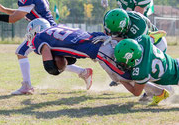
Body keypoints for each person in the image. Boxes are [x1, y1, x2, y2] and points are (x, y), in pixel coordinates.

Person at [25, 18, 169, 105]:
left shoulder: (40, 38)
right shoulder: (56, 28)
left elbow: (49, 61)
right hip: (98, 39)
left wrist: (53, 67)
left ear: (36, 31)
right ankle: (147, 39)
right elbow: (70, 54)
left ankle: (160, 91)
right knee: (130, 64)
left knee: (123, 76)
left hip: (99, 51)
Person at [0, 0, 92, 95]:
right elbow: (20, 12)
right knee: (54, 59)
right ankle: (84, 72)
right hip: (48, 29)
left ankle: (27, 86)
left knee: (21, 52)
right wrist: (4, 10)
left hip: (44, 30)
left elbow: (14, 18)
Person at [102, 8, 169, 92]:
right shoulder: (112, 16)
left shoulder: (139, 28)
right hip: (135, 42)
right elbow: (109, 31)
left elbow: (133, 47)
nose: (111, 34)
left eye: (115, 33)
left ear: (125, 28)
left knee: (143, 71)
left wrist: (111, 38)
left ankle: (164, 90)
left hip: (155, 44)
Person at [114, 35, 179, 105]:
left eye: (123, 63)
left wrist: (121, 80)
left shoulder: (141, 71)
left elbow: (136, 92)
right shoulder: (143, 40)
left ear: (132, 59)